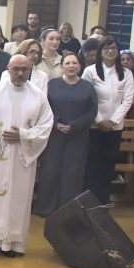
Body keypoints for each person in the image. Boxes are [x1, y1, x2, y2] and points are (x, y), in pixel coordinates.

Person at [0, 54, 54, 256]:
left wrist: (23, 135)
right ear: (8, 69)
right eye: (15, 69)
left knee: (18, 200)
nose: (20, 73)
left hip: (22, 159)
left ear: (30, 71)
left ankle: (13, 244)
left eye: (24, 69)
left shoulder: (38, 96)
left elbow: (46, 126)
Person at [34, 53, 97, 216]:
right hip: (54, 134)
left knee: (73, 173)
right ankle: (46, 207)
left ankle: (68, 210)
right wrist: (56, 123)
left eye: (74, 63)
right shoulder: (52, 84)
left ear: (80, 66)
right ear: (62, 66)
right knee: (50, 170)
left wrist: (74, 126)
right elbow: (45, 107)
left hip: (78, 136)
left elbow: (92, 111)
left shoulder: (88, 87)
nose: (71, 66)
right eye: (67, 63)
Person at [82, 36, 134, 203]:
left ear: (118, 51)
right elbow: (87, 98)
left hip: (115, 127)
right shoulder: (90, 71)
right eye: (106, 48)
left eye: (113, 48)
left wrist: (113, 121)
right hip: (94, 126)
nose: (110, 51)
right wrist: (99, 120)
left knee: (108, 164)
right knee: (93, 164)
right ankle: (89, 201)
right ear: (100, 51)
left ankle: (103, 201)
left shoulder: (126, 73)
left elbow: (127, 100)